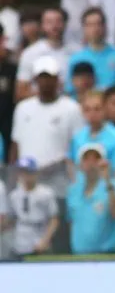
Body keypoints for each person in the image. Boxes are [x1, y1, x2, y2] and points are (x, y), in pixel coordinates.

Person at [10, 56, 85, 199]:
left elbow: (79, 146)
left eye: (49, 77)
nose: (45, 82)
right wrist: (13, 180)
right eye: (41, 77)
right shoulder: (23, 108)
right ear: (35, 80)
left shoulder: (71, 108)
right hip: (27, 181)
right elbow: (15, 146)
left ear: (57, 79)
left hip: (58, 181)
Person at [66, 143, 115, 255]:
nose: (91, 163)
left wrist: (108, 182)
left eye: (96, 159)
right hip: (80, 254)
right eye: (86, 159)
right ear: (80, 164)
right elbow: (71, 221)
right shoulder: (73, 190)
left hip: (109, 254)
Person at [70, 90, 115, 180]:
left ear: (105, 109)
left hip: (107, 190)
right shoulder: (77, 137)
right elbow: (74, 168)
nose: (92, 114)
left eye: (97, 109)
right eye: (87, 109)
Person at [5, 157, 60, 257]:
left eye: (28, 172)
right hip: (20, 242)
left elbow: (54, 220)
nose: (25, 175)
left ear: (35, 173)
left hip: (39, 238)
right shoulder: (14, 195)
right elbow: (11, 220)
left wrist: (45, 240)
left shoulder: (46, 193)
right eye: (22, 172)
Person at [16, 7, 74, 101]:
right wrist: (49, 90)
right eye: (49, 22)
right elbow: (20, 93)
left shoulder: (76, 51)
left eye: (58, 21)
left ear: (65, 23)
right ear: (42, 25)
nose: (54, 26)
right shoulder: (30, 53)